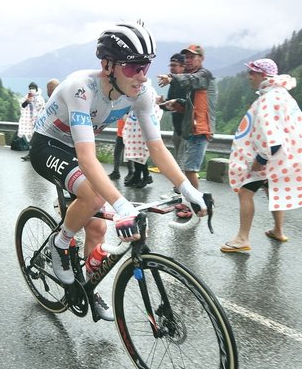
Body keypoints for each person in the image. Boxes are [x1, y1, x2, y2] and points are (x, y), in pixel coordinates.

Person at [29, 21, 208, 321]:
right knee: (94, 197)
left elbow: (157, 148)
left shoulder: (141, 92)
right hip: (47, 145)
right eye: (131, 67)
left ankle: (86, 286)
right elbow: (87, 158)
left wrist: (188, 190)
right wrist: (122, 205)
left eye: (145, 66)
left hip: (74, 148)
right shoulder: (80, 88)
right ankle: (59, 243)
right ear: (107, 65)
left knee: (97, 227)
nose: (140, 76)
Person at [221, 59, 302, 253]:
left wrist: (260, 161)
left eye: (253, 72)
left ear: (263, 76)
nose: (249, 76)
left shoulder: (268, 100)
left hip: (269, 157)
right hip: (282, 158)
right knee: (272, 188)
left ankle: (242, 238)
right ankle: (278, 230)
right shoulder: (282, 95)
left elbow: (272, 139)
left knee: (245, 192)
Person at [157, 44, 217, 192]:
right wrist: (173, 103)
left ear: (201, 59)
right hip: (190, 129)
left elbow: (193, 79)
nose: (189, 60)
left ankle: (197, 203)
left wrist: (171, 77)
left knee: (189, 170)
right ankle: (192, 201)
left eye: (192, 57)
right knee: (187, 169)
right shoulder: (193, 77)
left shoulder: (204, 75)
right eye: (187, 57)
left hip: (201, 129)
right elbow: (191, 105)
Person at [17, 82, 45, 161]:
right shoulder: (27, 96)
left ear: (36, 89)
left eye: (33, 88)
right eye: (30, 88)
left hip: (38, 122)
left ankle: (35, 154)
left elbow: (41, 109)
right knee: (30, 138)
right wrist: (27, 101)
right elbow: (23, 105)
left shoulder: (40, 98)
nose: (31, 90)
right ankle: (31, 154)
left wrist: (33, 102)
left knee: (35, 139)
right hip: (29, 121)